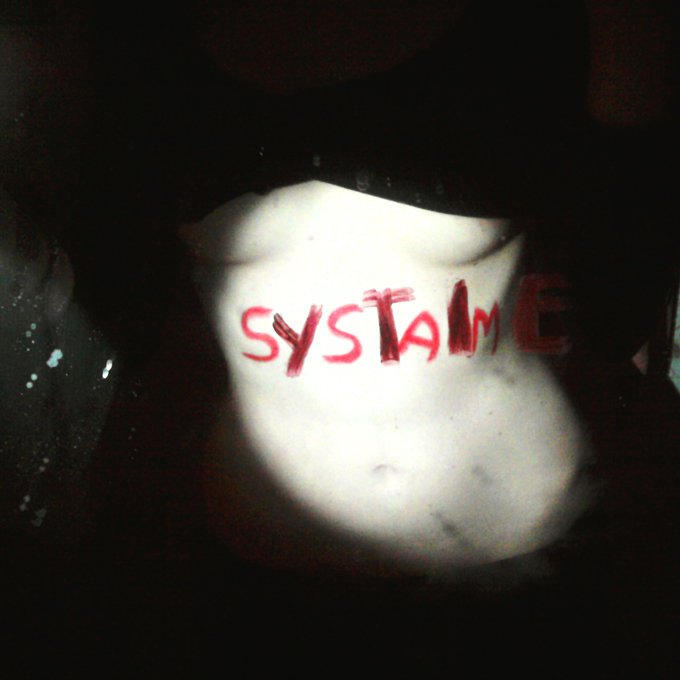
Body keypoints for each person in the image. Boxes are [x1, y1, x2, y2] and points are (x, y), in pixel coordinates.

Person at [1, 0, 677, 675]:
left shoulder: (536, 24)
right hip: (263, 565)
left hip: (514, 559)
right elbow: (117, 309)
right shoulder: (137, 34)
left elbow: (620, 307)